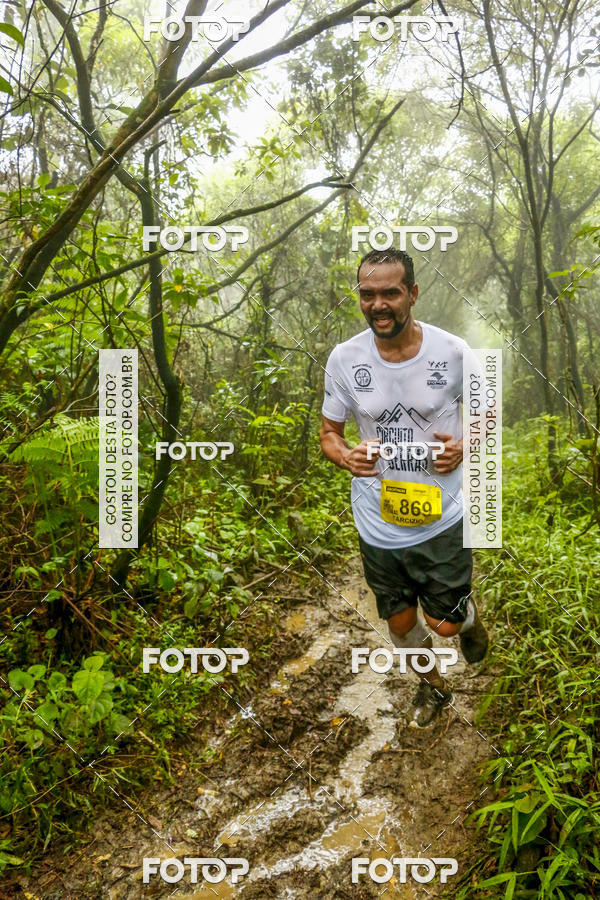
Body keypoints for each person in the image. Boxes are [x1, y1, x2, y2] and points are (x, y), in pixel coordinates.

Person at [319, 248, 489, 727]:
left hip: (442, 516)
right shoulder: (344, 358)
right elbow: (328, 434)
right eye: (368, 294)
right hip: (378, 521)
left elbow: (487, 415)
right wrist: (346, 456)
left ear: (412, 294)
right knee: (400, 626)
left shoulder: (453, 352)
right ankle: (433, 686)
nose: (379, 304)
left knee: (444, 623)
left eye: (390, 293)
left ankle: (469, 621)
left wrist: (464, 445)